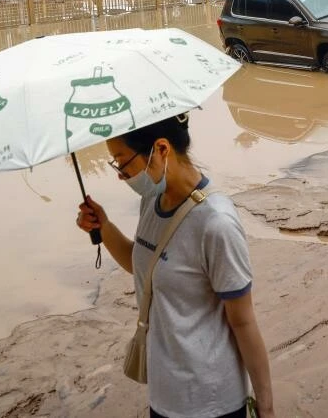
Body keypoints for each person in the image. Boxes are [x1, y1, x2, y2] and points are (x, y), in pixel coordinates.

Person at [76, 114, 275, 418]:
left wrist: (266, 405)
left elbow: (243, 321)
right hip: (164, 395)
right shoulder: (153, 199)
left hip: (211, 401)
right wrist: (103, 226)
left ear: (161, 149)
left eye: (122, 161)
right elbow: (143, 266)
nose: (120, 174)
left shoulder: (216, 223)